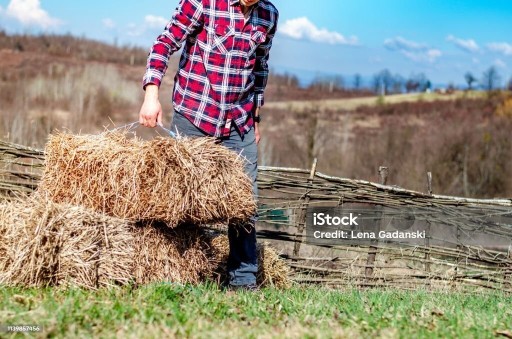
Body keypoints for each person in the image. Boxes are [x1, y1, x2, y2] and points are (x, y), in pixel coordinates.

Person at [138, 0, 279, 289]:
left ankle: (242, 281)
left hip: (239, 122)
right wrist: (151, 96)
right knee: (180, 198)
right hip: (194, 115)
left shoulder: (269, 15)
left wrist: (256, 118)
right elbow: (164, 43)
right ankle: (174, 273)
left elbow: (260, 67)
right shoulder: (204, 2)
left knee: (245, 203)